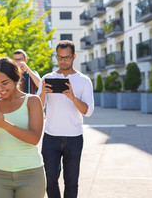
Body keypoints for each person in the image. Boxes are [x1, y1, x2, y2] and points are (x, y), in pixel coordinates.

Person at [0, 57, 46, 198]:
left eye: (5, 83)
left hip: (31, 174)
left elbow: (34, 139)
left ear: (17, 79)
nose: (0, 89)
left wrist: (3, 124)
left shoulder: (32, 101)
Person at [37, 40, 94, 198]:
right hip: (51, 138)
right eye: (60, 57)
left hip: (74, 138)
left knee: (71, 182)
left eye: (67, 58)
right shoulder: (47, 78)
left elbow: (88, 111)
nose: (63, 61)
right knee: (50, 180)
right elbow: (37, 108)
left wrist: (73, 98)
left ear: (74, 57)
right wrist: (43, 94)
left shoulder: (84, 81)